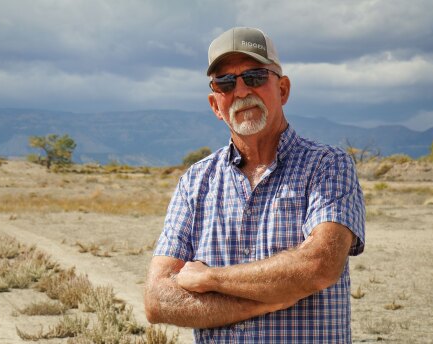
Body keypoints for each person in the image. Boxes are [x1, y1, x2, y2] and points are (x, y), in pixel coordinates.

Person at [143, 27, 366, 343]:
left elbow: (319, 266)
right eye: (225, 83)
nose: (242, 91)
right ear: (215, 105)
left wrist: (210, 278)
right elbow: (157, 300)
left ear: (283, 89)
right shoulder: (194, 183)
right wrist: (274, 297)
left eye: (256, 77)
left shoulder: (327, 165)